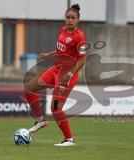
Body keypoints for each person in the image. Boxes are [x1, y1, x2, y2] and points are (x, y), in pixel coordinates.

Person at [24, 4, 86, 147]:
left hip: (67, 75)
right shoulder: (63, 30)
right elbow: (61, 50)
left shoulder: (79, 37)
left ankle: (69, 140)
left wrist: (70, 74)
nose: (70, 20)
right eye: (68, 17)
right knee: (28, 89)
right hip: (56, 70)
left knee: (56, 108)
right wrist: (49, 54)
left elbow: (82, 60)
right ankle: (41, 121)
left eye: (73, 18)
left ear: (78, 20)